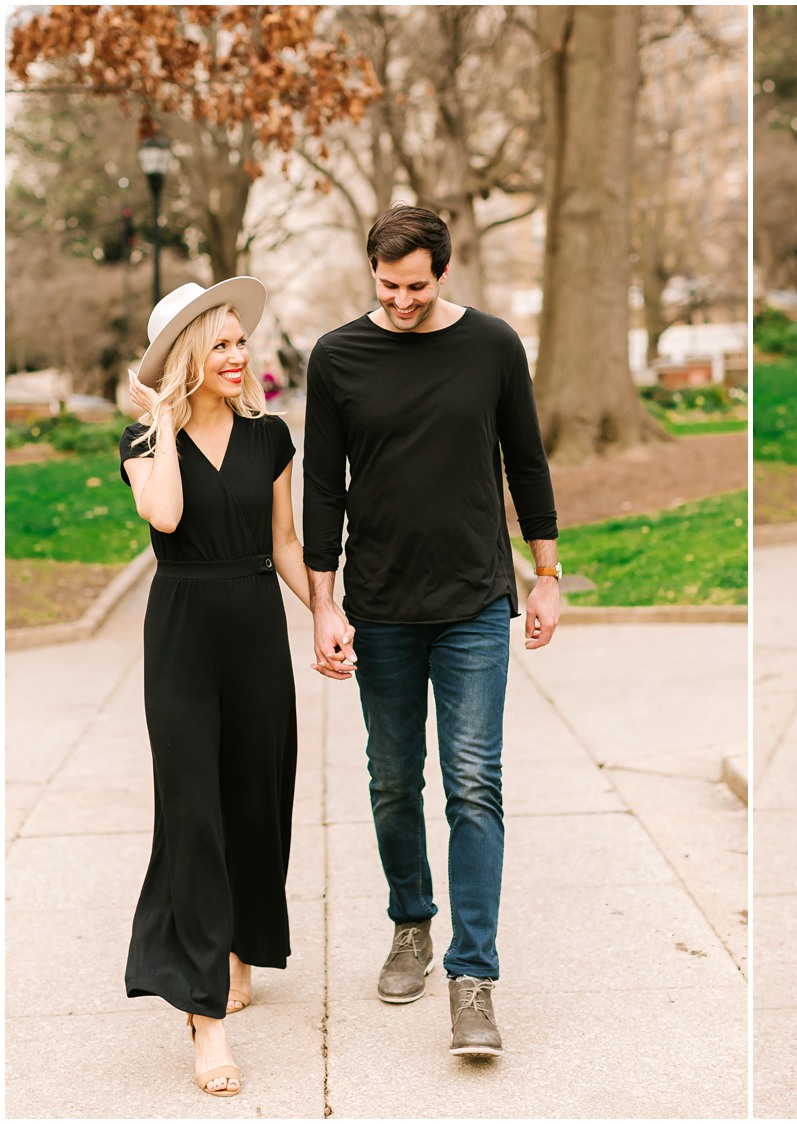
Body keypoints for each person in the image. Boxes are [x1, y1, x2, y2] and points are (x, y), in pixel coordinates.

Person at [302, 203, 560, 1058]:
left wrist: (548, 575)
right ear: (369, 272)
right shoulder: (337, 357)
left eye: (417, 286)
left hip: (475, 604)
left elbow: (526, 460)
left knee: (474, 783)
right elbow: (324, 490)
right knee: (390, 778)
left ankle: (473, 975)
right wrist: (323, 603)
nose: (403, 300)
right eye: (388, 285)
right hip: (377, 607)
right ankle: (411, 921)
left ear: (443, 273)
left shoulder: (491, 346)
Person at [120, 277, 353, 1097]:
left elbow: (285, 543)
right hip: (182, 634)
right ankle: (203, 1018)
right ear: (185, 355)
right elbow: (171, 519)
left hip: (255, 627)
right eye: (218, 344)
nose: (237, 355)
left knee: (257, 797)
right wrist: (160, 417)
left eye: (238, 342)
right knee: (192, 811)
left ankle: (238, 945)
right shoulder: (142, 443)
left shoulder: (269, 438)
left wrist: (327, 611)